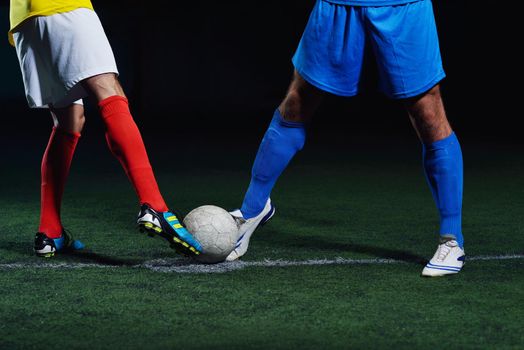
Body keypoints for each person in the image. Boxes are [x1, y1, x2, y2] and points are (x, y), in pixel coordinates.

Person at [227, 0, 465, 277]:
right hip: (338, 5)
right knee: (297, 101)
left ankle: (452, 239)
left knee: (427, 110)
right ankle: (252, 210)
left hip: (402, 6)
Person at [8, 0, 202, 258]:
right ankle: (155, 206)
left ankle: (49, 232)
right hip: (63, 7)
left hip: (23, 20)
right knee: (109, 91)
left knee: (68, 119)